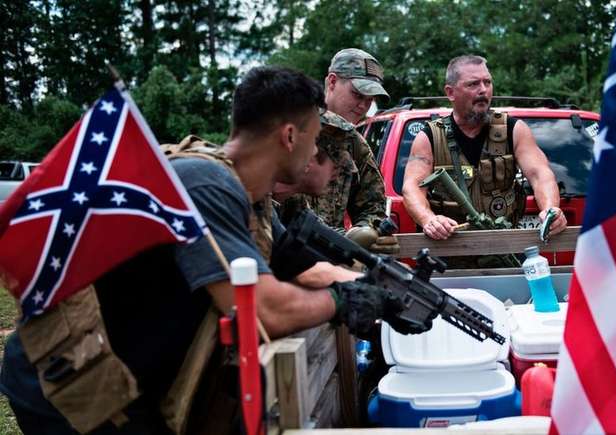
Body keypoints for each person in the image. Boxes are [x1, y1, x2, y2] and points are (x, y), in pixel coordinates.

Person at [0, 66, 410, 434]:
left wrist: (388, 291)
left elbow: (305, 266)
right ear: (289, 137)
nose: (317, 154)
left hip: (129, 373)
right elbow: (261, 307)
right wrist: (343, 300)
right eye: (314, 138)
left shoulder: (254, 199)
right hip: (71, 377)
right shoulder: (204, 183)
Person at [402, 55, 568, 241]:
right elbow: (412, 187)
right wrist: (429, 219)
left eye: (487, 82)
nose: (483, 90)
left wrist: (551, 209)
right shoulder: (430, 137)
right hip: (450, 248)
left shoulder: (514, 130)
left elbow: (540, 175)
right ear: (450, 93)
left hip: (504, 246)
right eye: (473, 84)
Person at [279, 48, 398, 254]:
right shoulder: (288, 129)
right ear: (332, 82)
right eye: (357, 95)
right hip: (282, 254)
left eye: (370, 99)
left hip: (332, 258)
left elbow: (373, 206)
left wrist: (367, 231)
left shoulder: (354, 143)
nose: (363, 106)